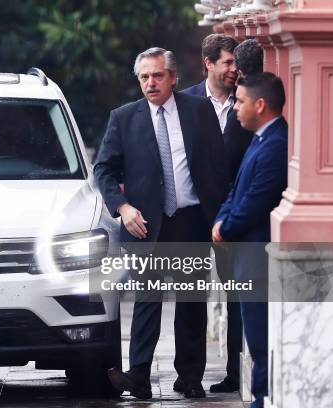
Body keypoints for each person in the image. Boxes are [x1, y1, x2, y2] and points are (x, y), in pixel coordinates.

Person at [95, 47, 227, 399]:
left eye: (156, 76)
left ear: (172, 77)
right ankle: (138, 376)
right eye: (143, 77)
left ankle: (189, 378)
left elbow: (218, 165)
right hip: (145, 224)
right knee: (147, 299)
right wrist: (122, 207)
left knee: (191, 302)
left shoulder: (200, 111)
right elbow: (104, 169)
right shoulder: (123, 118)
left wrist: (221, 217)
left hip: (191, 221)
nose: (150, 83)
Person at [182, 35, 261, 394]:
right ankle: (188, 375)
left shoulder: (246, 101)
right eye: (228, 63)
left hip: (232, 216)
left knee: (236, 293)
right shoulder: (186, 102)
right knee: (191, 295)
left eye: (236, 64)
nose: (234, 69)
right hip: (194, 213)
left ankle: (234, 371)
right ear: (208, 63)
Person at [212, 72, 288, 408]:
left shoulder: (277, 143)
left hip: (258, 261)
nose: (236, 108)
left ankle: (261, 401)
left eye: (240, 101)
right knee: (255, 339)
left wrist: (226, 229)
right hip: (246, 259)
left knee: (260, 341)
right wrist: (220, 219)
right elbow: (236, 190)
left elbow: (258, 199)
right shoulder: (259, 138)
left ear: (260, 105)